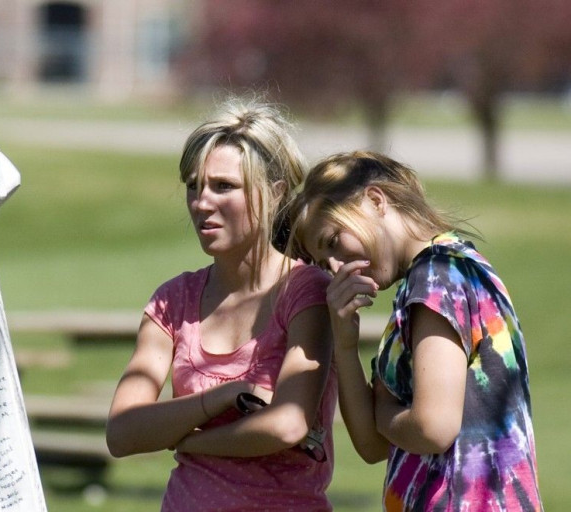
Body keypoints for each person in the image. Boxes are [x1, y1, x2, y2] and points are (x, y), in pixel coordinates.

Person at [106, 98, 338, 511]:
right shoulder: (172, 301)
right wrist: (224, 397)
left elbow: (287, 424)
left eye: (223, 186)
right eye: (194, 185)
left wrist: (191, 439)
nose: (201, 202)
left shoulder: (306, 292)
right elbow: (122, 432)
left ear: (274, 192)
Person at [288, 150, 543, 511]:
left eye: (333, 241)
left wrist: (383, 414)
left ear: (376, 201)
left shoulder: (436, 276)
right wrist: (345, 345)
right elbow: (372, 446)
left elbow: (432, 427)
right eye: (322, 261)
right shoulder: (444, 273)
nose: (333, 266)